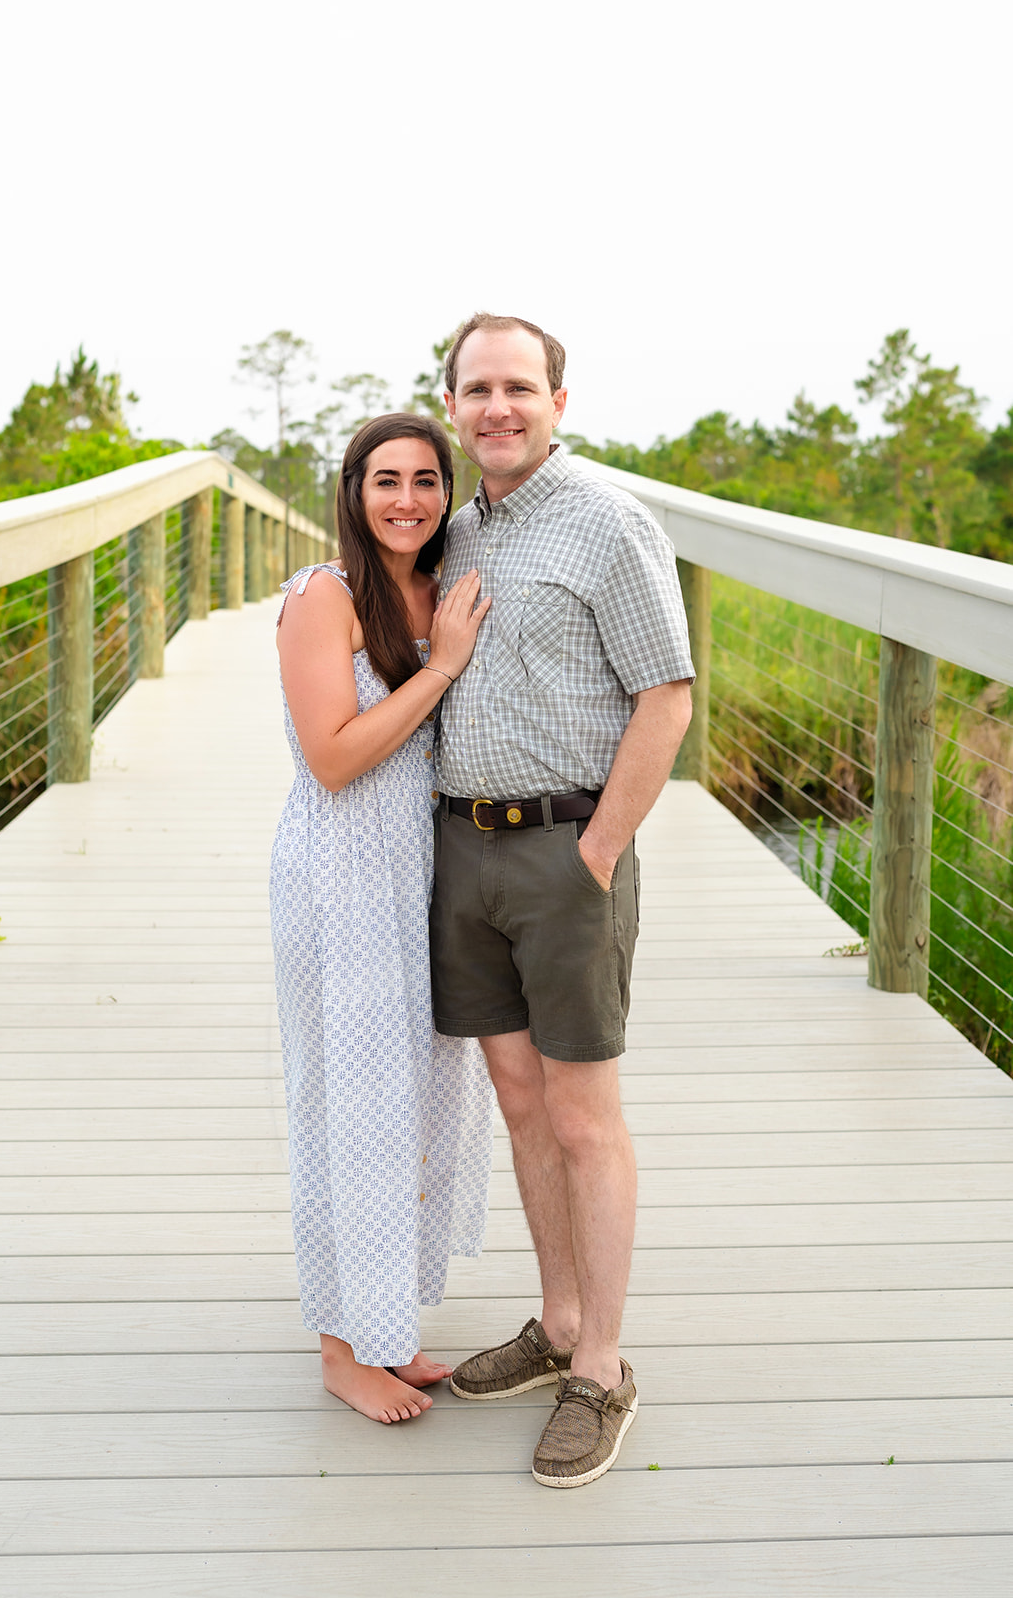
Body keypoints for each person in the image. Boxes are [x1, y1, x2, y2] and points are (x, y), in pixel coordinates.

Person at [430, 314, 695, 1486]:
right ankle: (551, 1324)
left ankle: (601, 1367)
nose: (497, 406)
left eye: (517, 388)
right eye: (476, 388)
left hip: (562, 851)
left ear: (557, 400)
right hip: (463, 853)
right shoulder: (452, 530)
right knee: (520, 1103)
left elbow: (666, 698)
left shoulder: (607, 522)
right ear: (452, 404)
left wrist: (595, 852)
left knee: (585, 1117)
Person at [270, 413, 494, 1425]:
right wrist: (441, 667)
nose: (406, 497)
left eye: (425, 480)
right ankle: (339, 1348)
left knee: (414, 1109)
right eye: (384, 479)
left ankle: (386, 1326)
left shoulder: (442, 589)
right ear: (353, 492)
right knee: (348, 1111)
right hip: (340, 876)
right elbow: (332, 756)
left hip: (425, 875)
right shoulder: (324, 597)